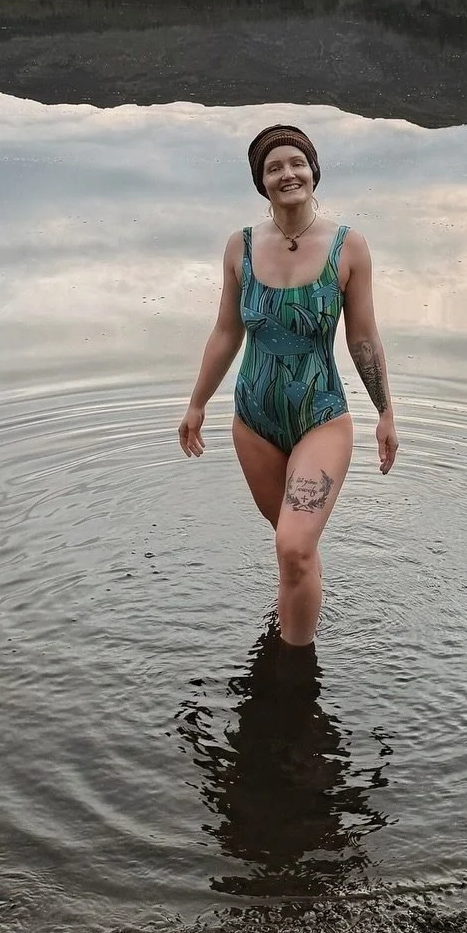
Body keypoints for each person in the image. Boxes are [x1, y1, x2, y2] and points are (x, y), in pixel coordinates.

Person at [177, 124, 398, 648]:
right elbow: (227, 331)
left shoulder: (349, 248)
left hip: (320, 415)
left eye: (295, 163)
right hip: (254, 419)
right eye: (273, 167)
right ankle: (289, 629)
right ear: (262, 182)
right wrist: (197, 404)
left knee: (295, 545)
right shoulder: (241, 247)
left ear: (313, 170)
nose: (287, 173)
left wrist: (385, 412)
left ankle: (295, 674)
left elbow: (363, 337)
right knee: (290, 546)